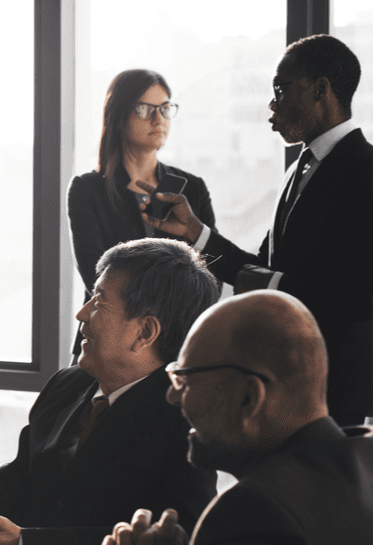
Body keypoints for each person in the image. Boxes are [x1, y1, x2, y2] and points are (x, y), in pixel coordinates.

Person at [0, 238, 218, 544]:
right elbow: (18, 483)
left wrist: (28, 542)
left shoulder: (187, 417)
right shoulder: (68, 384)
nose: (81, 314)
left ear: (145, 333)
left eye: (99, 301)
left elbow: (182, 535)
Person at [141, 34, 372, 426]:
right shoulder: (297, 171)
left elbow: (359, 295)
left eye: (281, 90)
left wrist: (272, 286)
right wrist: (196, 232)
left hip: (333, 397)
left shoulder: (366, 172)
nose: (271, 107)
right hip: (282, 383)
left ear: (321, 89)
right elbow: (260, 268)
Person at [102, 291, 373, 545]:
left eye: (185, 380)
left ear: (248, 396)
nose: (172, 396)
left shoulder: (252, 511)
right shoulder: (365, 459)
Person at [68, 69, 215, 356]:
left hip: (175, 342)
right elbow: (95, 273)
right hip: (107, 338)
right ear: (119, 116)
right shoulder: (88, 189)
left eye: (164, 108)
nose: (158, 119)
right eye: (145, 109)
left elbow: (209, 270)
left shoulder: (192, 188)